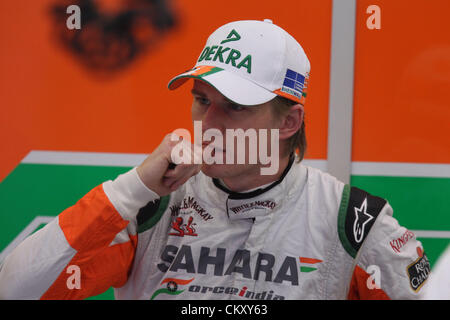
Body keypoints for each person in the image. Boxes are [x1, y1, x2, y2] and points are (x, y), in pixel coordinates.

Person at [0, 19, 430, 300]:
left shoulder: (352, 219)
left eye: (237, 107)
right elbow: (15, 288)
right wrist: (131, 189)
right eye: (202, 101)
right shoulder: (150, 206)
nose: (211, 122)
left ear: (289, 122)